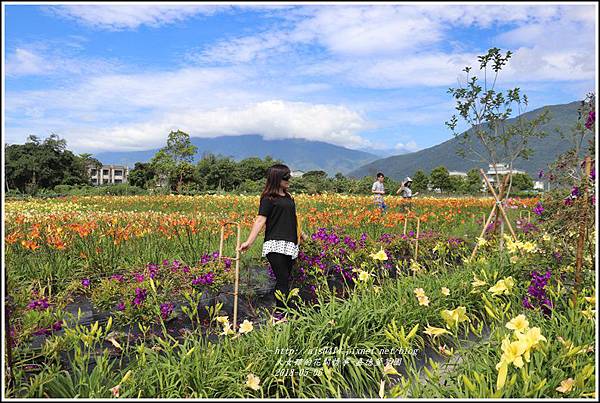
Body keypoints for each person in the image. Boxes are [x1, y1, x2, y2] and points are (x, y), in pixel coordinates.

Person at [238, 164, 306, 319]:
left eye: (289, 176)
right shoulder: (268, 198)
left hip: (290, 244)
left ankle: (284, 313)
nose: (289, 180)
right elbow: (260, 220)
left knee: (285, 279)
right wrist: (249, 242)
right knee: (282, 280)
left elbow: (293, 219)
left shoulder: (289, 197)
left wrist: (302, 235)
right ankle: (281, 315)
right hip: (275, 244)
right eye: (285, 177)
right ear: (276, 178)